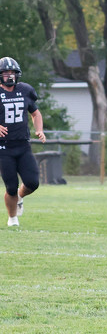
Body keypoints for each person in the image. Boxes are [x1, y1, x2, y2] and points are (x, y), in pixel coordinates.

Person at [0, 57, 46, 227]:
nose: (9, 75)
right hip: (3, 147)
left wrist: (39, 130)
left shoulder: (25, 90)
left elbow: (35, 113)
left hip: (23, 145)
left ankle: (19, 197)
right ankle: (12, 219)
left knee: (33, 182)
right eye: (6, 72)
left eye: (12, 72)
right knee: (11, 186)